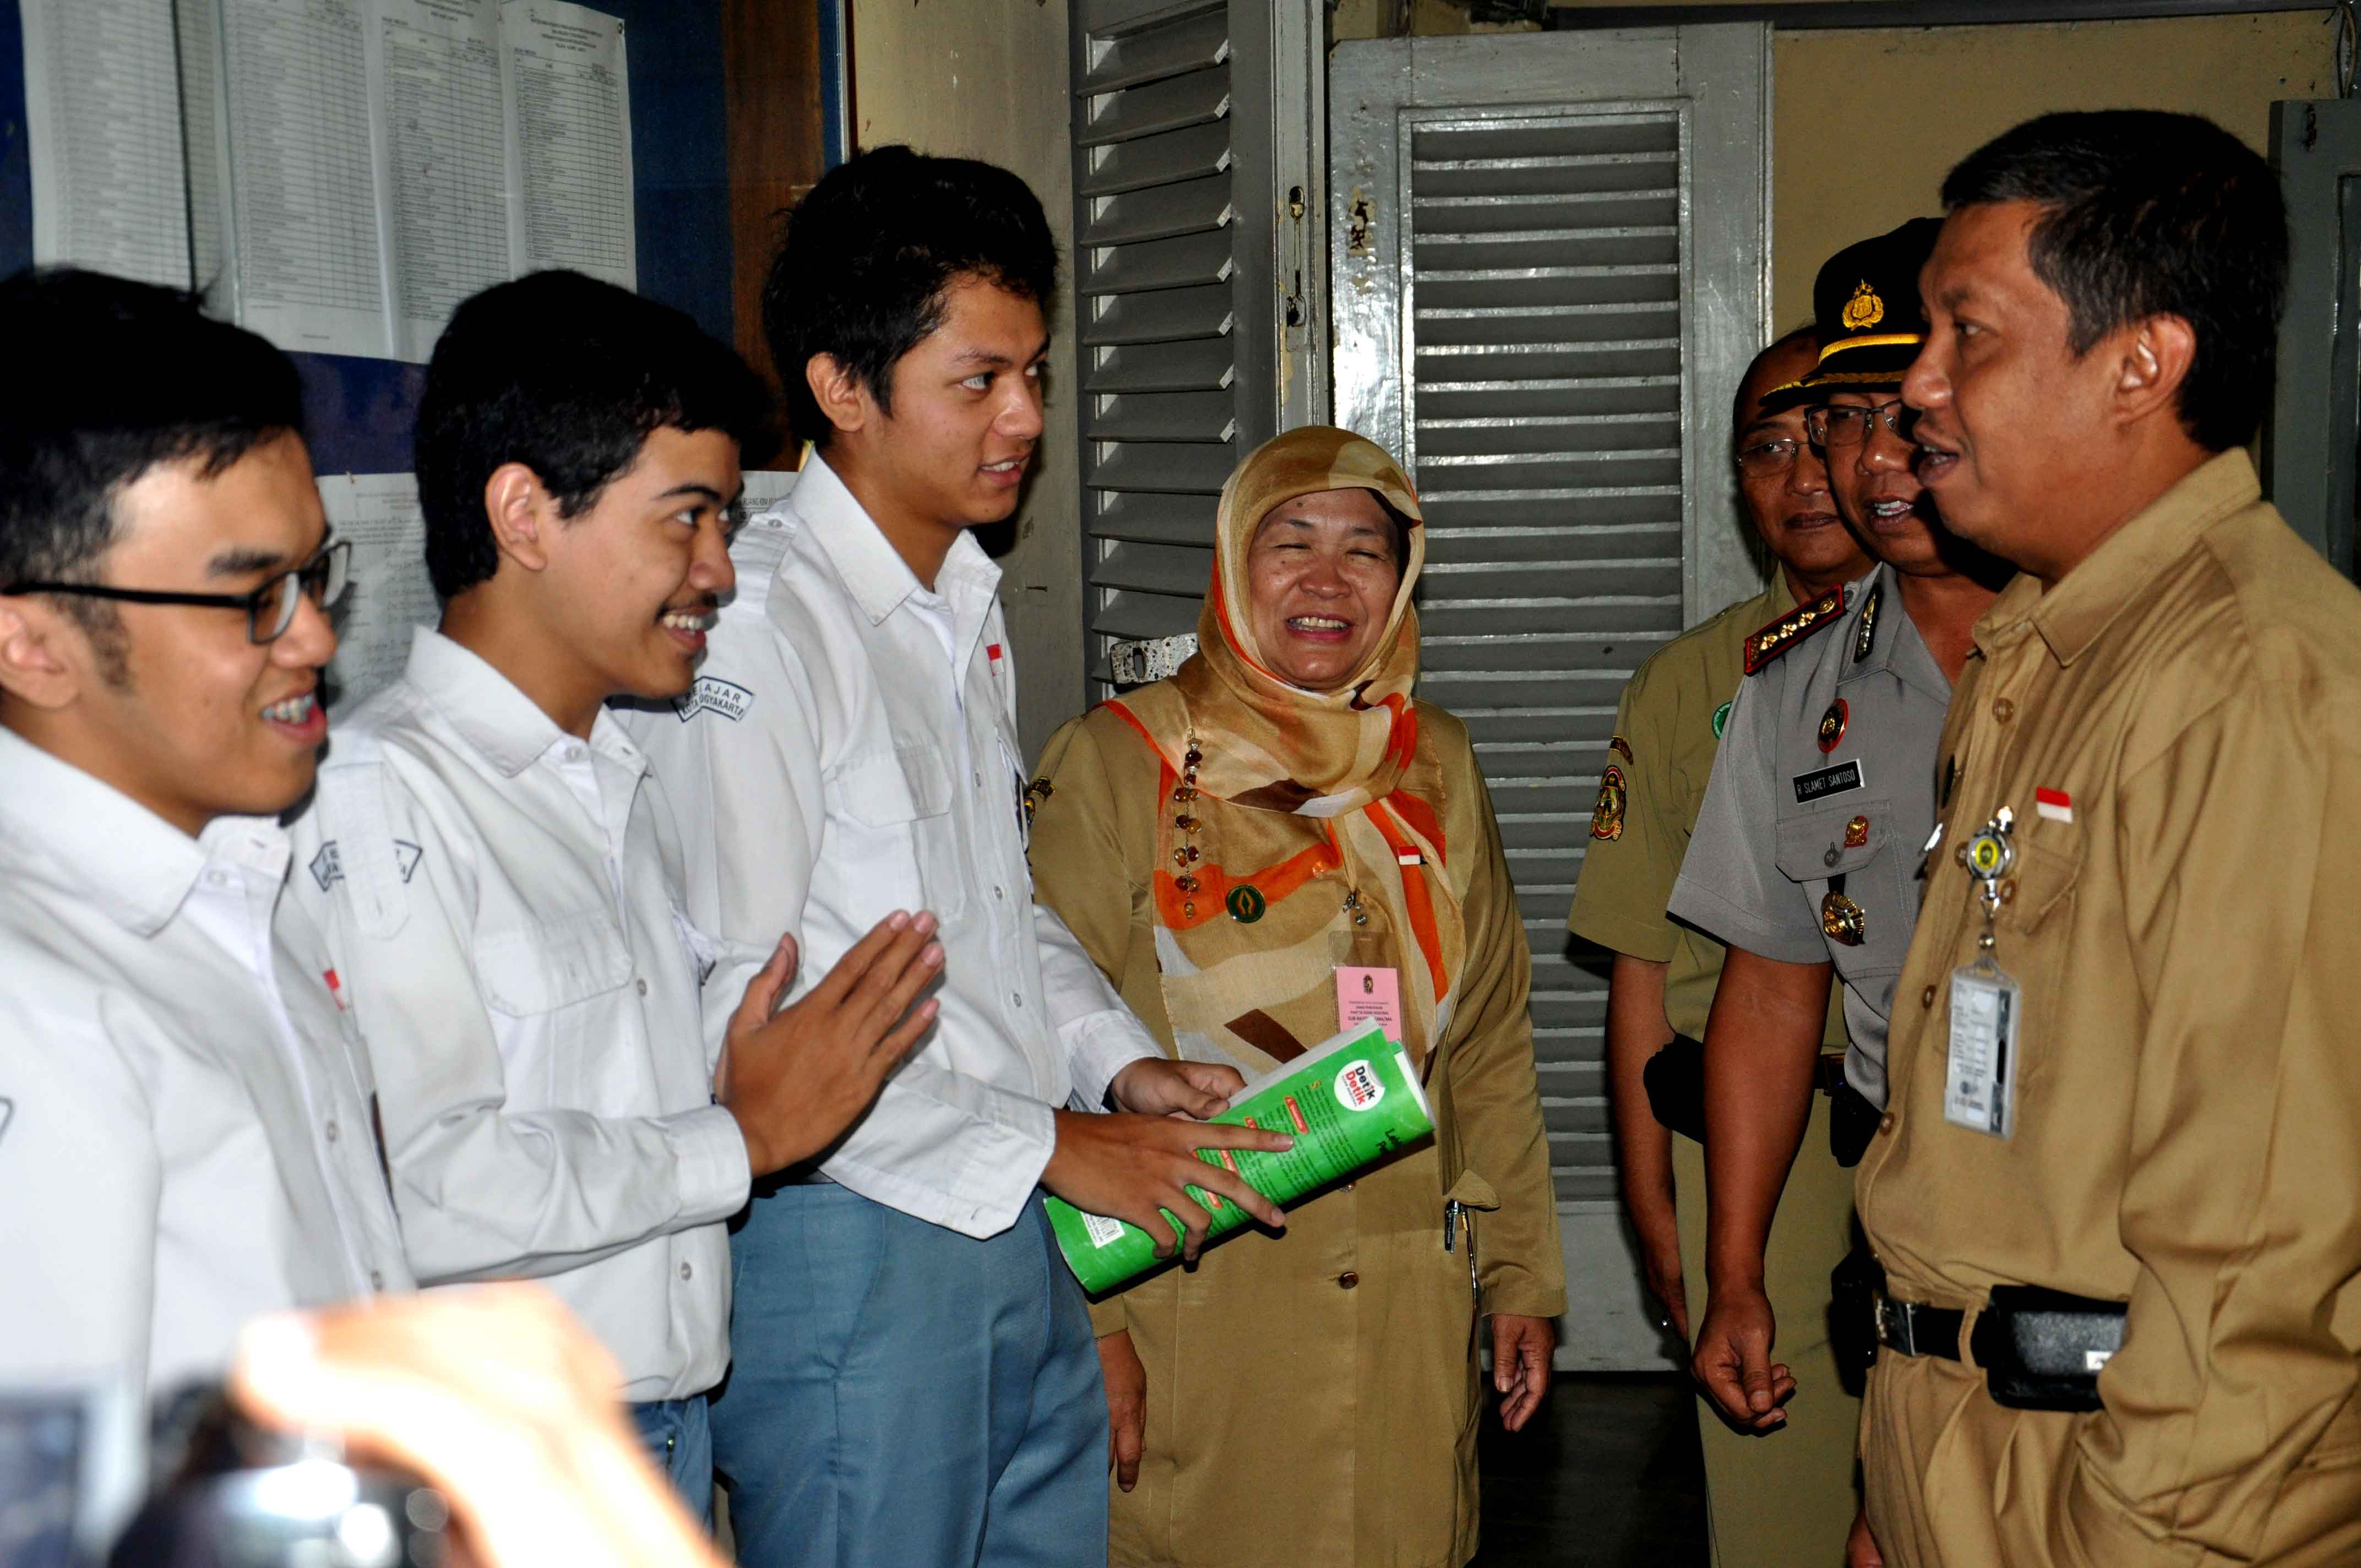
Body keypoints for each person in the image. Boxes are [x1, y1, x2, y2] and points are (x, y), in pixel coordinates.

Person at [618, 147, 1291, 1568]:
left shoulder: (952, 602)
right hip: (854, 1236)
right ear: (842, 390)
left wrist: (1114, 1065)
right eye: (977, 381)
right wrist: (1063, 1142)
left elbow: (990, 913)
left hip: (1005, 1207)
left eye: (1034, 374)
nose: (1025, 420)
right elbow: (749, 1025)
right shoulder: (761, 629)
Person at [285, 270, 949, 1520]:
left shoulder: (604, 766)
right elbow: (429, 1189)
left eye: (729, 527)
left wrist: (745, 1048)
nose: (720, 574)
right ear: (524, 513)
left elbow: (597, 1080)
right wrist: (738, 1137)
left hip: (656, 1428)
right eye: (685, 518)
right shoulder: (388, 798)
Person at [1857, 110, 2361, 1565]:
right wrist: (1904, 1478)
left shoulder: (2256, 683)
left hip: (2137, 1503)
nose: (1920, 387)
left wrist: (2142, 1541)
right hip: (1972, 1452)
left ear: (2142, 364)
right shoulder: (2043, 658)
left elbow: (2263, 1251)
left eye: (1971, 336)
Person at [1025, 427, 1565, 1568]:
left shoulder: (1437, 764)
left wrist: (1520, 1274)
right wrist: (1093, 1327)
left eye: (1364, 551)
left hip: (1409, 1299)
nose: (1326, 582)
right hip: (1203, 1298)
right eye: (1291, 543)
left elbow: (1489, 1044)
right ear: (1232, 564)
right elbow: (1026, 1047)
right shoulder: (1117, 760)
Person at [0, 269, 413, 1438]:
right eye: (253, 597)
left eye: (315, 575)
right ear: (28, 641)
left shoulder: (230, 885)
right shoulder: (35, 1001)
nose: (318, 637)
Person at [1668, 224, 2010, 1475]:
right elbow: (1768, 985)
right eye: (1841, 420)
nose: (1874, 457)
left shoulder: (2101, 649)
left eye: (1903, 405)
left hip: (2111, 1222)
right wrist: (1735, 1272)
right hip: (1908, 1226)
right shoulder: (1791, 692)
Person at [1568, 327, 1868, 1566]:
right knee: (1775, 1505)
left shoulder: (1983, 650)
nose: (1801, 474)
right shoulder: (1691, 680)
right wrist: (1655, 1205)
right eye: (1764, 448)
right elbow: (1639, 962)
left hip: (1923, 1126)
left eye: (1825, 435)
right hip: (1754, 1140)